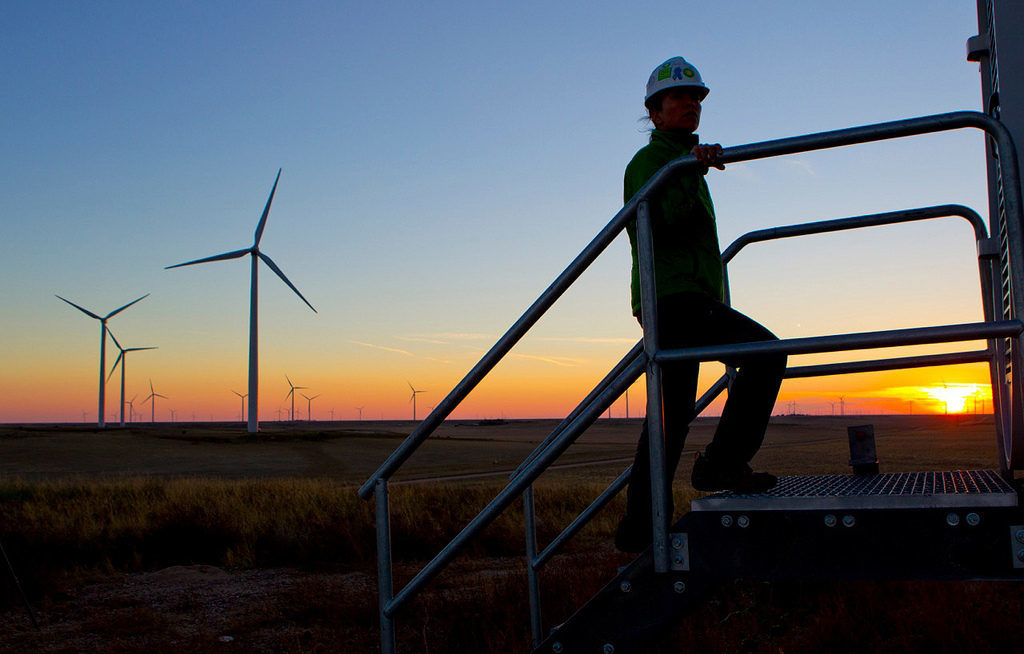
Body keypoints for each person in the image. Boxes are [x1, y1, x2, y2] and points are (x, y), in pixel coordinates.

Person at [615, 56, 787, 553]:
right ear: (656, 112)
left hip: (685, 297)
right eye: (678, 98)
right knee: (765, 353)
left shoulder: (684, 161)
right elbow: (665, 222)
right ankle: (720, 465)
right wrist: (693, 168)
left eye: (696, 98)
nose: (690, 104)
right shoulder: (652, 163)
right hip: (672, 299)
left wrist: (693, 165)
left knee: (669, 416)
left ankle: (640, 528)